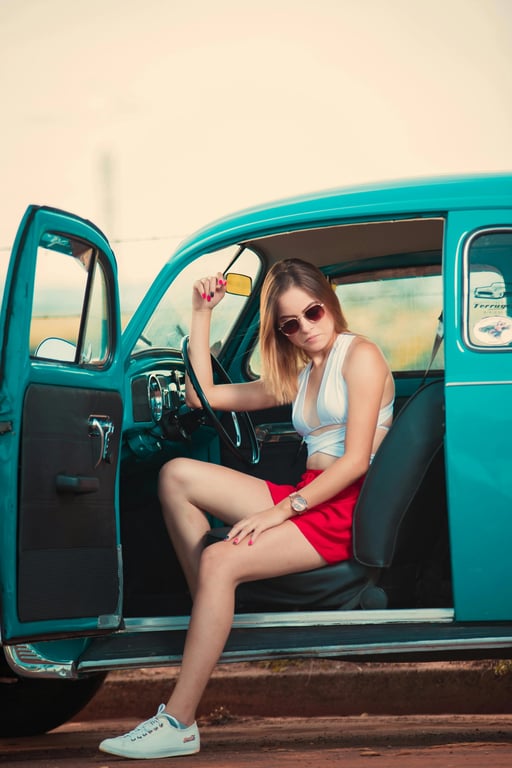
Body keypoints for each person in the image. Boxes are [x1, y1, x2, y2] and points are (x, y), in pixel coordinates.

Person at [99, 258, 395, 759]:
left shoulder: (359, 355)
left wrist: (282, 512)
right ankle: (212, 610)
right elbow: (201, 397)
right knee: (176, 477)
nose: (305, 329)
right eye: (290, 324)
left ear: (330, 304)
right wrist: (200, 313)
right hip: (308, 490)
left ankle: (179, 721)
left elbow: (355, 462)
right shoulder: (303, 372)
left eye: (313, 313)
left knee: (220, 557)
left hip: (343, 505)